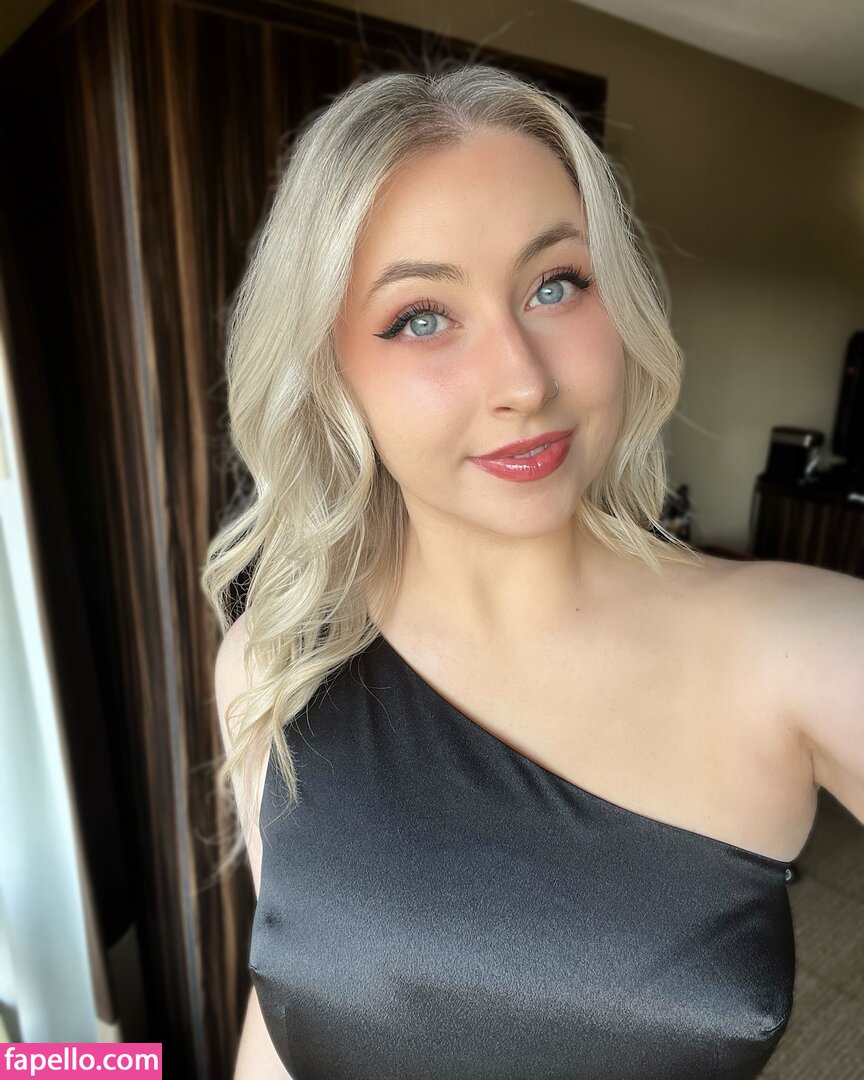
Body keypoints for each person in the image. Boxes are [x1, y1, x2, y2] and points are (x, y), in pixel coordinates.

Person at [204, 63, 863, 1080]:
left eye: (556, 285)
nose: (522, 379)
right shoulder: (275, 665)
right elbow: (289, 993)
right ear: (330, 374)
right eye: (421, 317)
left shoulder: (804, 648)